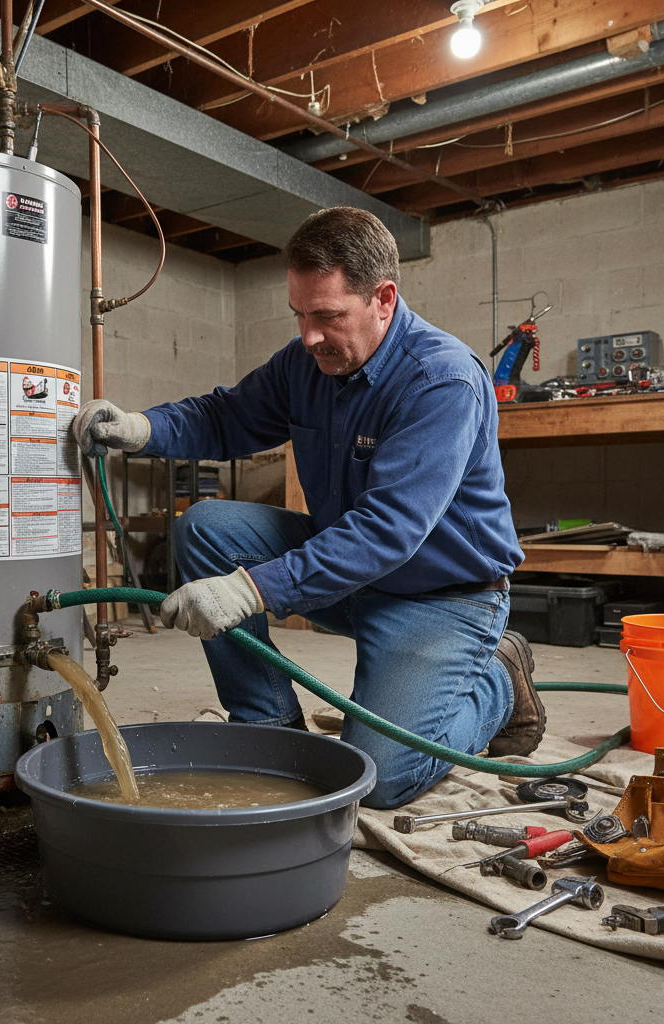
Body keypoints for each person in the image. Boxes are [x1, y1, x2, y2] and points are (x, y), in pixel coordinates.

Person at [72, 206, 543, 809]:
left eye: (327, 316)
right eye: (299, 314)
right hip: (351, 579)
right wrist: (142, 428)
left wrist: (250, 590)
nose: (309, 335)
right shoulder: (309, 362)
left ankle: (500, 678)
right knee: (207, 530)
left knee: (380, 779)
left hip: (440, 598)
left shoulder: (441, 381)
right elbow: (228, 415)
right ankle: (269, 728)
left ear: (383, 299)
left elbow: (385, 532)